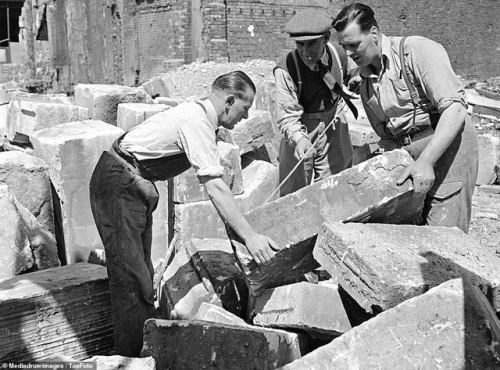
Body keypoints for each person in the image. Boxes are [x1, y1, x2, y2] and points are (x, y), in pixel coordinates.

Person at [89, 71, 278, 356]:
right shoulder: (197, 121)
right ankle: (132, 358)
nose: (246, 116)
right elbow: (214, 187)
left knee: (141, 274)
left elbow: (217, 189)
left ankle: (146, 347)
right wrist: (250, 237)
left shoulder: (200, 115)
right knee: (130, 280)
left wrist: (238, 234)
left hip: (131, 184)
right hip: (119, 184)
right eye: (245, 108)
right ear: (229, 100)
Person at [332, 3, 479, 232]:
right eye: (344, 47)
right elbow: (387, 138)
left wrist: (426, 161)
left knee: (443, 237)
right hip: (412, 158)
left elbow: (455, 109)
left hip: (450, 148)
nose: (349, 53)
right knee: (409, 234)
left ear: (373, 33)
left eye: (353, 45)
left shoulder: (417, 51)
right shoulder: (366, 83)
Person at [274, 8, 359, 196]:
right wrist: (300, 139)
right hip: (301, 127)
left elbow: (355, 74)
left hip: (334, 123)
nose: (305, 51)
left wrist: (354, 83)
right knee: (294, 194)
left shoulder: (340, 54)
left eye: (311, 44)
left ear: (327, 38)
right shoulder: (286, 68)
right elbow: (287, 116)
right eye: (300, 44)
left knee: (336, 188)